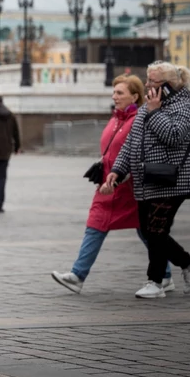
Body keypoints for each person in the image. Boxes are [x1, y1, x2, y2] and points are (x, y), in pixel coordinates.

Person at [51, 75, 177, 293]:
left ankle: (177, 267)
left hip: (129, 188)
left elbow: (138, 154)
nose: (114, 96)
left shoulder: (139, 119)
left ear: (135, 96)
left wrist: (119, 177)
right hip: (107, 185)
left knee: (147, 232)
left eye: (120, 93)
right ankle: (77, 275)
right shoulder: (116, 119)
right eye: (114, 92)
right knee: (96, 224)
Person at [104, 62, 190, 299]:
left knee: (156, 231)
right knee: (150, 231)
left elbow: (173, 136)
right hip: (147, 179)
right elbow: (131, 142)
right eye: (147, 81)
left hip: (172, 181)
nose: (147, 85)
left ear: (168, 86)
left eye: (153, 82)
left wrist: (155, 111)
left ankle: (155, 282)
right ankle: (189, 263)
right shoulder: (145, 107)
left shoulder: (183, 108)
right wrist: (118, 169)